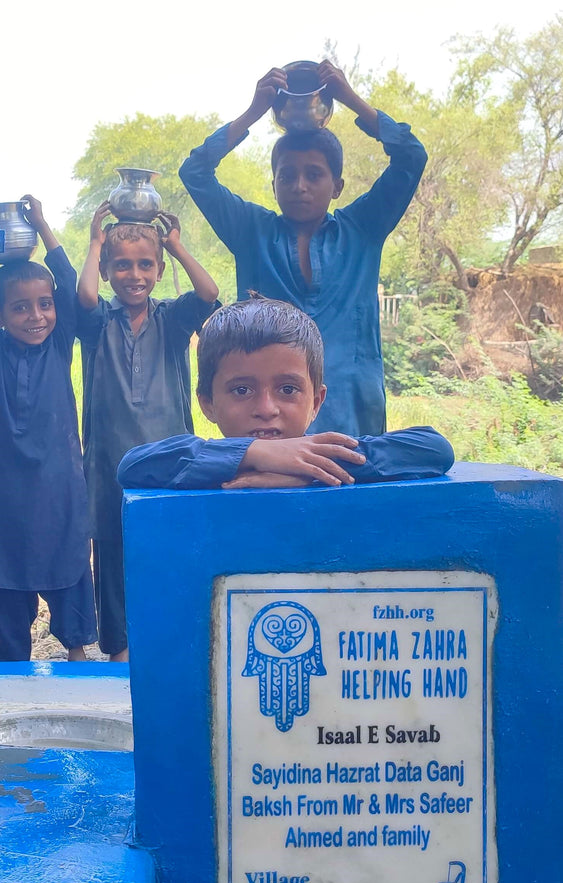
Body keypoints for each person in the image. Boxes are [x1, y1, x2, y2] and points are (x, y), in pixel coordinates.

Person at [179, 60, 427, 438]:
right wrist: (254, 111)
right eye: (287, 175)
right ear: (274, 184)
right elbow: (194, 172)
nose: (299, 186)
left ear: (337, 185)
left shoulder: (363, 229)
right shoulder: (251, 231)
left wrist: (350, 98)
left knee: (353, 475)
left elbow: (412, 156)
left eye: (314, 174)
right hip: (271, 410)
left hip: (352, 407)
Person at [117, 296, 453, 490]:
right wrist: (255, 454)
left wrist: (307, 469)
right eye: (242, 390)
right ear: (208, 403)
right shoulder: (205, 465)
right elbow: (133, 465)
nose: (266, 408)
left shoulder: (325, 454)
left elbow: (433, 449)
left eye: (288, 389)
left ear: (316, 401)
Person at [77, 205, 219, 660]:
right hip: (110, 466)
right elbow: (84, 295)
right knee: (114, 557)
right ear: (106, 270)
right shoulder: (99, 321)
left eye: (145, 264)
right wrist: (95, 242)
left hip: (170, 463)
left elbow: (209, 291)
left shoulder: (172, 319)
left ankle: (170, 644)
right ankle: (119, 653)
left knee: (168, 552)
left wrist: (176, 246)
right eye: (121, 265)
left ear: (158, 271)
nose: (134, 275)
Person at [0, 196, 97, 662]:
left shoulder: (60, 342)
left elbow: (67, 283)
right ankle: (12, 664)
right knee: (4, 571)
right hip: (3, 489)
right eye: (21, 308)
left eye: (44, 305)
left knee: (68, 563)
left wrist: (43, 225)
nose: (37, 316)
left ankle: (77, 655)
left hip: (58, 481)